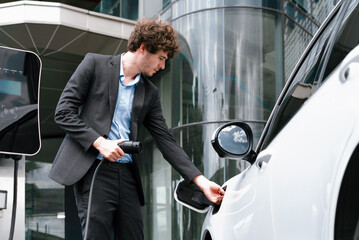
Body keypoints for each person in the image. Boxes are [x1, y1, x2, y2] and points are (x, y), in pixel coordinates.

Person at [48, 18, 225, 240]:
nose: (162, 66)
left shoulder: (149, 92)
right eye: (161, 58)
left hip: (128, 176)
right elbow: (63, 112)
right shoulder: (94, 64)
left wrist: (201, 181)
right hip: (95, 169)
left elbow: (166, 140)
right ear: (143, 48)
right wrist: (100, 142)